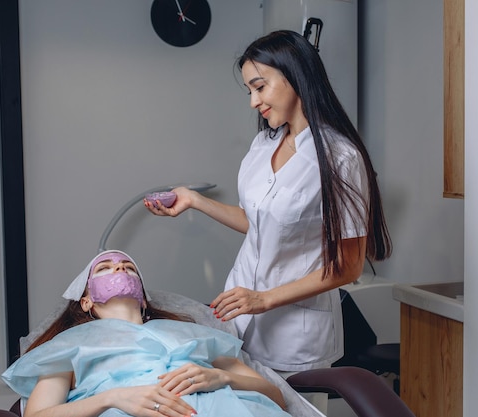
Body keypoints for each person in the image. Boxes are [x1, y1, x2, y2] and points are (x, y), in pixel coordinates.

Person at [145, 30, 392, 382]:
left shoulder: (340, 158)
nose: (253, 101)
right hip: (238, 317)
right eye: (250, 90)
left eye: (260, 87)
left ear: (295, 77)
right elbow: (258, 222)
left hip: (295, 337)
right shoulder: (264, 144)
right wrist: (196, 201)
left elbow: (348, 267)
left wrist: (264, 300)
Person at [1, 250, 293, 417]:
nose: (119, 266)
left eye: (129, 267)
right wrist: (112, 398)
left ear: (142, 298)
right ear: (86, 300)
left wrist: (223, 377)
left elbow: (276, 397)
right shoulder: (69, 346)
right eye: (105, 268)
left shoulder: (195, 335)